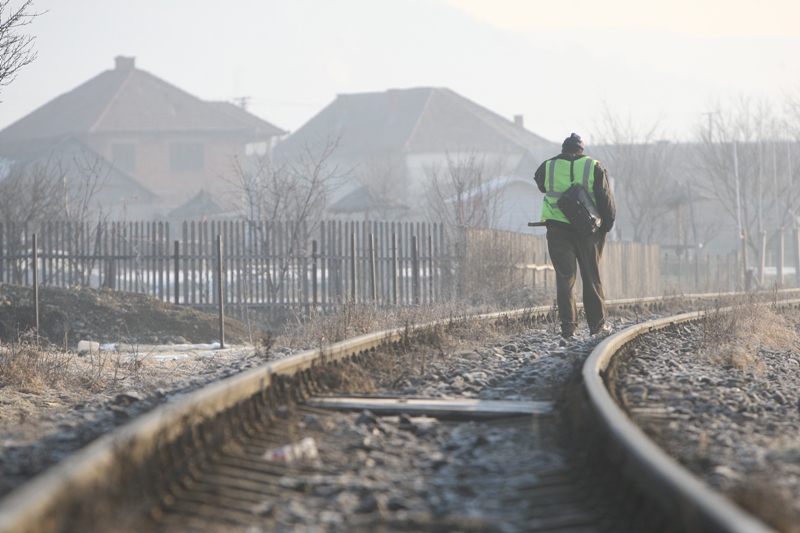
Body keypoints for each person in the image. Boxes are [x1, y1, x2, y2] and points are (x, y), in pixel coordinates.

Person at [534, 133, 616, 342]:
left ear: (564, 149)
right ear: (581, 150)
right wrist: (606, 226)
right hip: (589, 231)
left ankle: (568, 330)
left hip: (558, 230)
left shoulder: (548, 166)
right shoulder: (594, 166)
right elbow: (606, 199)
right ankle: (597, 327)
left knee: (565, 279)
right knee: (591, 278)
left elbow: (541, 185)